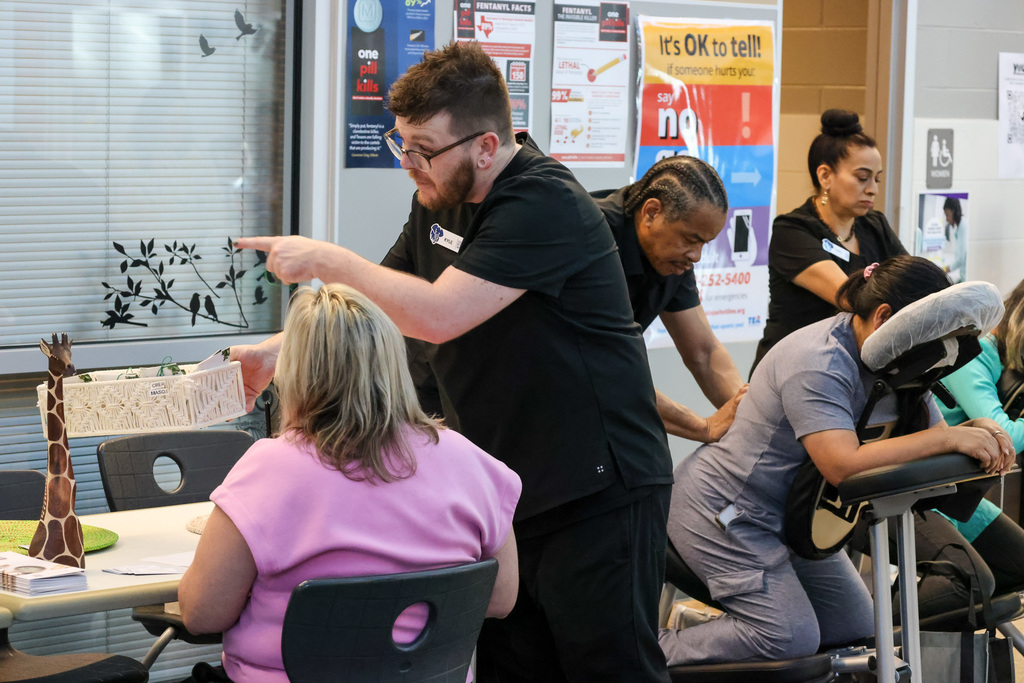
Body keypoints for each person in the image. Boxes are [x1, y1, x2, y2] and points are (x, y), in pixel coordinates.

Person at [233, 41, 674, 682]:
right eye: (401, 145)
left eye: (424, 151)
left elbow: (438, 314)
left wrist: (325, 259)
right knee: (512, 665)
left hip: (598, 490)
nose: (410, 165)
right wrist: (279, 353)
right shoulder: (438, 197)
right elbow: (382, 297)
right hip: (508, 487)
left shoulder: (543, 203)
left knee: (608, 672)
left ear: (487, 147)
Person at [658, 256, 1015, 666]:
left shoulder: (905, 361)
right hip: (725, 512)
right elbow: (842, 464)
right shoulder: (819, 359)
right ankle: (637, 651)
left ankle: (722, 639)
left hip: (795, 517)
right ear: (885, 317)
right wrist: (952, 436)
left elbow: (929, 438)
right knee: (787, 638)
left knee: (854, 627)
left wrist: (979, 428)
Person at [177, 284, 521, 683]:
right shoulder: (468, 463)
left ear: (296, 374)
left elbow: (201, 613)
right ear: (395, 363)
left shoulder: (269, 469)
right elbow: (501, 598)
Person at [590, 155, 746, 442]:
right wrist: (704, 426)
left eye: (704, 244)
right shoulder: (591, 236)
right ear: (651, 213)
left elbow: (703, 352)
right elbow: (601, 365)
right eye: (690, 239)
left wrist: (748, 410)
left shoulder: (671, 257)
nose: (696, 256)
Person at [752, 109, 906, 373]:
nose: (873, 189)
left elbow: (912, 281)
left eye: (876, 178)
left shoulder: (874, 225)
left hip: (850, 370)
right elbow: (851, 296)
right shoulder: (792, 231)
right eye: (862, 177)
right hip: (794, 370)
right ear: (825, 176)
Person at [929, 276, 1024, 598]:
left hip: (955, 490)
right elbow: (1003, 434)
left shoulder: (1001, 359)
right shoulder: (976, 354)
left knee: (1017, 566)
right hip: (928, 489)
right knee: (963, 579)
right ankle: (889, 633)